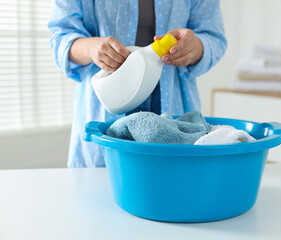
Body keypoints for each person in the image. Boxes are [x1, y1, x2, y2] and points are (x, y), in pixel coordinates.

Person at [48, 0, 227, 168]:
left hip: (175, 107)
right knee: (100, 190)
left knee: (175, 185)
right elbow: (61, 38)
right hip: (103, 111)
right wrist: (92, 48)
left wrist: (195, 47)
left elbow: (214, 38)